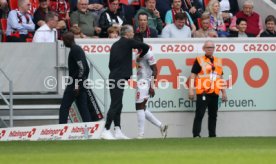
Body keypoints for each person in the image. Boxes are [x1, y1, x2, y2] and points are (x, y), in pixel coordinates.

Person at [101, 25, 150, 140]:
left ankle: (117, 130)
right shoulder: (128, 42)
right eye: (132, 32)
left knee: (118, 104)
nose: (133, 34)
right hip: (118, 77)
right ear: (127, 34)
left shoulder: (115, 45)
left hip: (114, 75)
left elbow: (110, 64)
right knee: (115, 104)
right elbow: (145, 46)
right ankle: (106, 129)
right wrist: (140, 55)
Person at [188, 40, 227, 138]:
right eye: (208, 47)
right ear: (204, 49)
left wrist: (224, 92)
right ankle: (196, 134)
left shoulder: (218, 61)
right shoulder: (199, 60)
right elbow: (193, 76)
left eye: (212, 47)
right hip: (203, 92)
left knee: (213, 115)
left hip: (215, 92)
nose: (210, 49)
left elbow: (220, 78)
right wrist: (191, 90)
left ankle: (212, 135)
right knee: (199, 114)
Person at [134, 34, 168, 139]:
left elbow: (155, 70)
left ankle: (140, 135)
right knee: (142, 108)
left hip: (145, 82)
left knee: (139, 107)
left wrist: (152, 86)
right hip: (141, 81)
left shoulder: (148, 53)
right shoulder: (137, 52)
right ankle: (161, 126)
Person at [59, 32, 92, 124]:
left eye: (63, 41)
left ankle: (61, 128)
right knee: (83, 108)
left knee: (64, 107)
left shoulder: (75, 50)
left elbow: (82, 68)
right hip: (80, 83)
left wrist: (77, 84)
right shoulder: (78, 49)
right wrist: (83, 81)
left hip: (74, 83)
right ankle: (90, 128)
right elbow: (86, 68)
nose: (63, 43)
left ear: (67, 40)